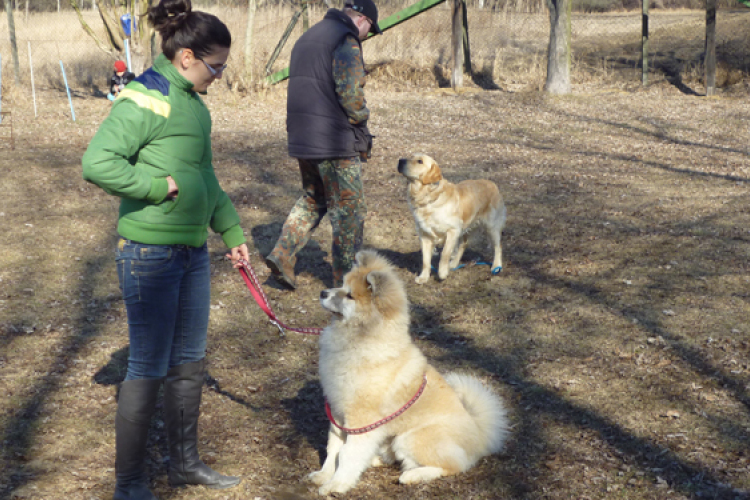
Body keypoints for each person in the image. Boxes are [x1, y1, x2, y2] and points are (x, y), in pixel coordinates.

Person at [82, 0, 247, 498]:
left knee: (189, 362)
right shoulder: (144, 98)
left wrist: (233, 234)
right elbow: (98, 162)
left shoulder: (195, 105)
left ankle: (185, 465)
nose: (220, 74)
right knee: (148, 367)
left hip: (193, 253)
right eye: (215, 65)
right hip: (149, 255)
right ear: (187, 57)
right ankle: (129, 483)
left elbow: (205, 178)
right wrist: (158, 187)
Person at [265, 0, 380, 289]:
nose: (367, 36)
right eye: (370, 30)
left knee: (313, 199)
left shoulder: (308, 36)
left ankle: (282, 254)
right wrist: (363, 121)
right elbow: (351, 93)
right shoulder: (345, 39)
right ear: (363, 20)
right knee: (348, 211)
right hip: (333, 139)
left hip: (303, 135)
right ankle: (349, 284)